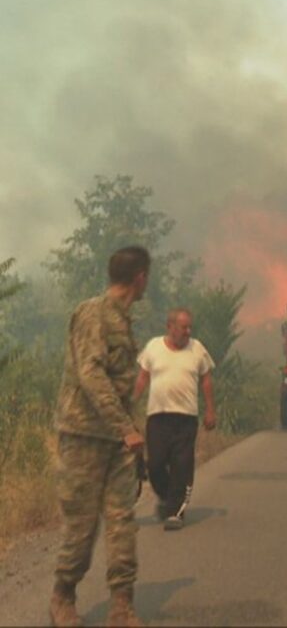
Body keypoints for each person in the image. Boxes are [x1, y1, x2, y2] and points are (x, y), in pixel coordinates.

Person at [50, 246, 150, 628]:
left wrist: (130, 430)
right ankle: (63, 597)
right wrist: (123, 426)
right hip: (84, 436)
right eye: (146, 278)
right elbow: (92, 375)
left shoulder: (123, 319)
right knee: (81, 524)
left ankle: (122, 606)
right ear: (140, 277)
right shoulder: (93, 313)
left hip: (118, 441)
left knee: (123, 521)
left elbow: (124, 384)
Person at [132, 308, 216, 531]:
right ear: (170, 327)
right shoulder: (153, 347)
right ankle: (169, 498)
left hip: (186, 418)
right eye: (183, 327)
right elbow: (142, 379)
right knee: (155, 464)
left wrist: (210, 410)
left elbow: (206, 380)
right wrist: (128, 405)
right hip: (158, 417)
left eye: (190, 327)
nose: (188, 331)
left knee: (182, 465)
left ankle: (175, 511)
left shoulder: (197, 349)